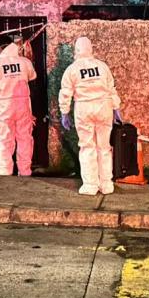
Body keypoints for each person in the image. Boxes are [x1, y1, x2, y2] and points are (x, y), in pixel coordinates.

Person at [58, 36, 123, 195]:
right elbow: (110, 88)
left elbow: (66, 92)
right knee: (104, 147)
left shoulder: (72, 69)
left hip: (84, 109)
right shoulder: (102, 66)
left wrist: (64, 112)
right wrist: (116, 107)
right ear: (91, 49)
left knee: (87, 146)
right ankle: (106, 184)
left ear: (77, 50)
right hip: (104, 107)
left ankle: (90, 185)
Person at [0, 36, 37, 176]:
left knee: (5, 139)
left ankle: (4, 171)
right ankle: (25, 171)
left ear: (0, 48)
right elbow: (32, 80)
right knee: (25, 138)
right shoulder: (25, 62)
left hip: (4, 105)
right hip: (23, 104)